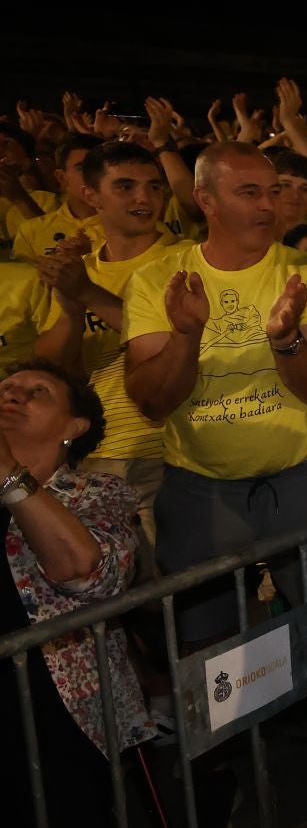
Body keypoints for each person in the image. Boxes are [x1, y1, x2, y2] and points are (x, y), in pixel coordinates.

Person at [122, 142, 307, 807]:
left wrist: (286, 338)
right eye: (250, 192)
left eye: (276, 190)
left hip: (302, 477)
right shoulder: (160, 281)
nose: (269, 205)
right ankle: (218, 766)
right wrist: (186, 337)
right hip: (201, 488)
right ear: (206, 200)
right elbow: (150, 400)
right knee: (207, 638)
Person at [0, 360, 155, 828]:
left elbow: (88, 571)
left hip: (55, 707)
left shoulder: (96, 491)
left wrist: (8, 475)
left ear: (74, 428)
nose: (13, 394)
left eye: (35, 392)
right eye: (6, 387)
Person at [34, 142, 188, 579]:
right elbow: (52, 367)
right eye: (125, 186)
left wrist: (87, 295)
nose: (144, 198)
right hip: (95, 456)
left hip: (167, 450)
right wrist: (69, 307)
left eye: (154, 186)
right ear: (91, 195)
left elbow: (174, 343)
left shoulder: (186, 259)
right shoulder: (80, 268)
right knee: (103, 592)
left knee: (167, 596)